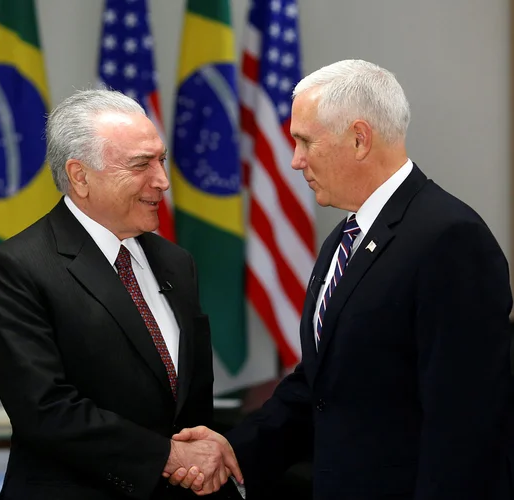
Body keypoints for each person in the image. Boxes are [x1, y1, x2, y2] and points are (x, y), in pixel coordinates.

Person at [169, 59, 514, 499]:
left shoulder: (450, 239)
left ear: (359, 139)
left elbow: (466, 426)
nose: (295, 161)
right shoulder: (345, 237)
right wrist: (233, 450)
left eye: (304, 141)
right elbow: (324, 385)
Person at [0, 89, 243, 500]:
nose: (162, 181)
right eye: (141, 164)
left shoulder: (177, 262)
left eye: (161, 160)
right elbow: (45, 410)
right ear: (80, 176)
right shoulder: (20, 267)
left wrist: (199, 456)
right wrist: (166, 457)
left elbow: (188, 398)